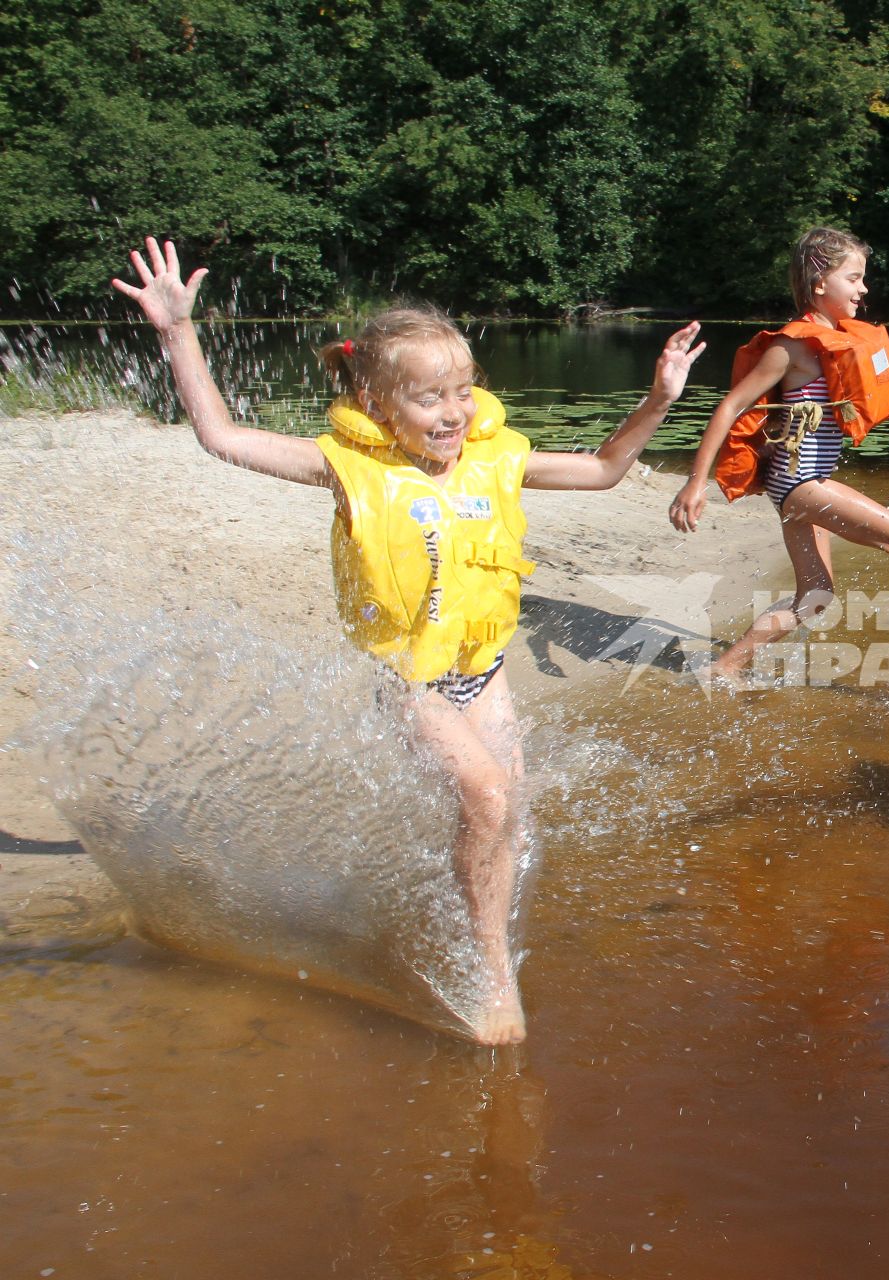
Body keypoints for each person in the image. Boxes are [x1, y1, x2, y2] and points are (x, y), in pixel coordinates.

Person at [113, 237, 706, 1043]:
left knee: (512, 819)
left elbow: (605, 470)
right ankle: (493, 976)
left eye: (462, 392)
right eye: (430, 399)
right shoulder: (343, 466)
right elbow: (221, 437)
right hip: (407, 681)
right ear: (377, 400)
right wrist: (178, 331)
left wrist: (660, 398)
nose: (454, 413)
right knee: (487, 797)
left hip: (483, 672)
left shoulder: (495, 458)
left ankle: (456, 911)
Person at [668, 226, 889, 694]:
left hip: (797, 486)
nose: (863, 289)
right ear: (819, 283)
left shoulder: (836, 342)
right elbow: (731, 407)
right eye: (853, 278)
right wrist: (696, 483)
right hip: (800, 480)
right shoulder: (791, 346)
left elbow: (866, 402)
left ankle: (724, 667)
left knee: (814, 598)